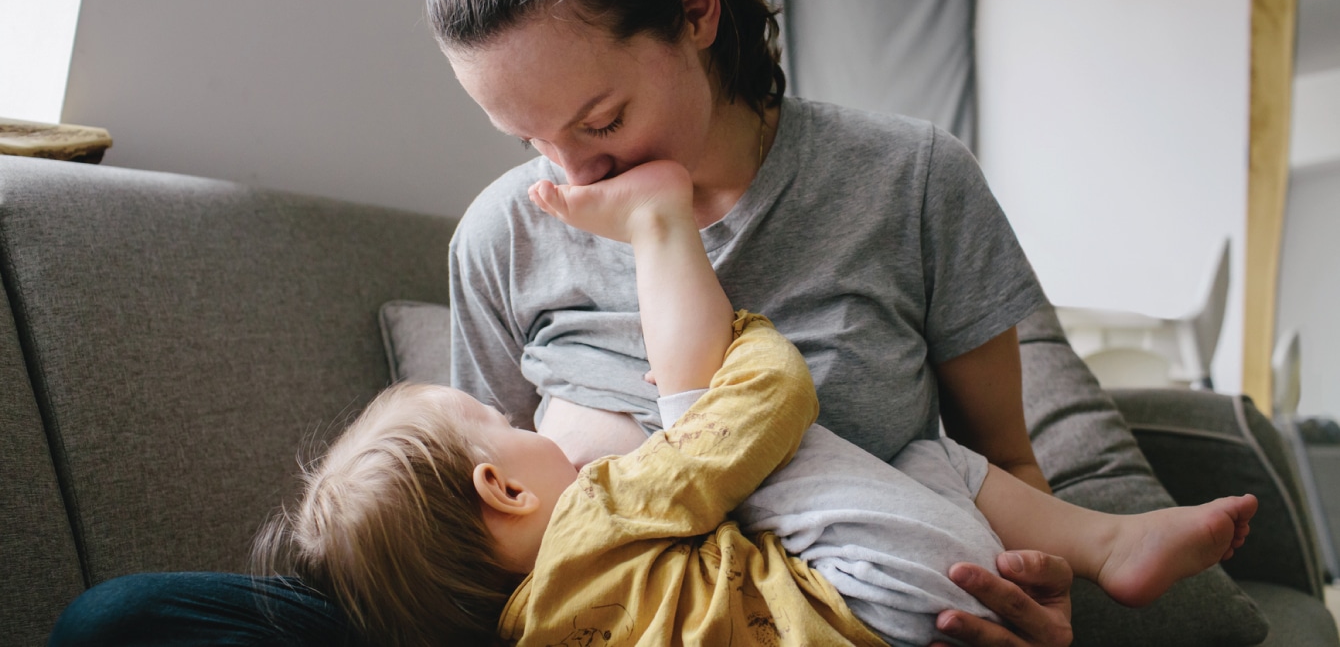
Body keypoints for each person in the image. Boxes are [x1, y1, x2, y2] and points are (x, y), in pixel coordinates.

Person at [40, 0, 1131, 645]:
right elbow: (474, 527)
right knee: (118, 625)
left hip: (833, 613)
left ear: (695, 9)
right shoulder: (501, 233)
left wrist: (1031, 599)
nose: (563, 171)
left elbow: (1005, 468)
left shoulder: (909, 180)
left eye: (598, 115)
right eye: (525, 140)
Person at [254, 159, 1254, 647]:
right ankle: (658, 229)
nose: (525, 422)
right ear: (502, 488)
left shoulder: (537, 628)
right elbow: (764, 410)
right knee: (720, 426)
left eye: (596, 121)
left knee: (924, 457)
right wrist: (739, 352)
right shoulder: (600, 512)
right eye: (509, 426)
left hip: (910, 600)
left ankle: (1105, 543)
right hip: (887, 590)